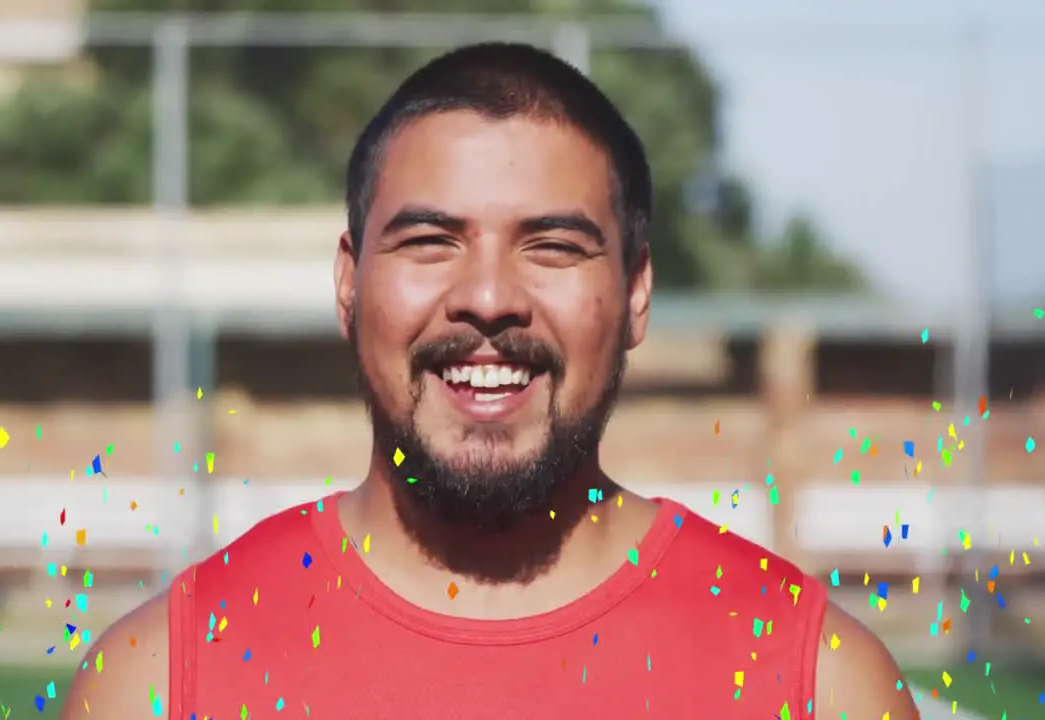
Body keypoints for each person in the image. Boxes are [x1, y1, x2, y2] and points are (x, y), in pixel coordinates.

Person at [65, 42, 919, 719]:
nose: (486, 299)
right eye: (431, 241)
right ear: (348, 287)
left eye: (552, 246)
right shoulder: (161, 682)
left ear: (635, 295)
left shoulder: (816, 683)